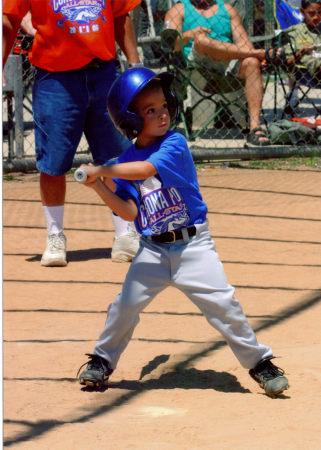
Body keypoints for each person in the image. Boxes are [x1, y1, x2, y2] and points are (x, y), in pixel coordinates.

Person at [76, 67, 289, 398]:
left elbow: (146, 170)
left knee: (224, 306)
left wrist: (101, 168)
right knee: (125, 306)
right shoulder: (125, 160)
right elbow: (130, 212)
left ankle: (260, 363)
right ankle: (102, 360)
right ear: (130, 119)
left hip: (193, 247)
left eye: (163, 105)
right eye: (150, 110)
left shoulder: (174, 143)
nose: (162, 114)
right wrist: (98, 187)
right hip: (152, 250)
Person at [2, 0, 142, 266]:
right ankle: (55, 236)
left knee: (114, 157)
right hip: (56, 77)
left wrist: (135, 65)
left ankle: (124, 233)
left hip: (103, 72)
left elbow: (121, 15)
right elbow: (8, 20)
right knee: (53, 162)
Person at [163, 0, 271, 146]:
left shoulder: (228, 10)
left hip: (228, 65)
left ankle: (255, 128)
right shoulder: (178, 9)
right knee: (201, 40)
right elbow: (171, 45)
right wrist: (190, 34)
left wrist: (253, 56)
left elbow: (243, 44)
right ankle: (261, 53)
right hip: (199, 69)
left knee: (252, 62)